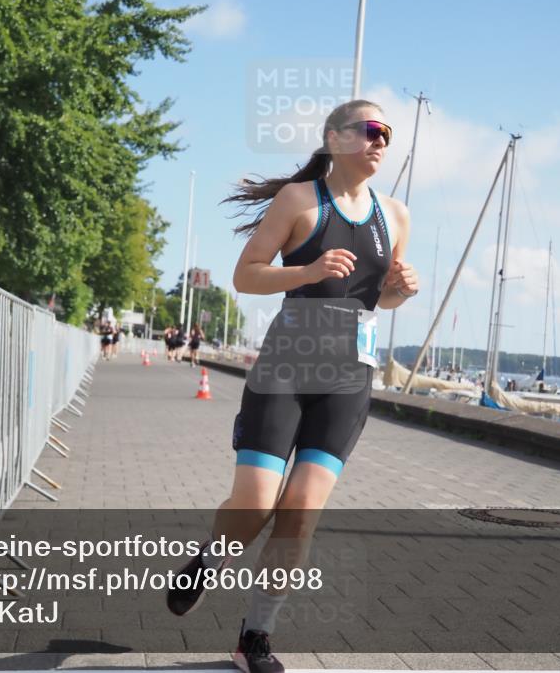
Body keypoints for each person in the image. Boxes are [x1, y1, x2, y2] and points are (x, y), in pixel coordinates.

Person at [166, 100, 418, 673]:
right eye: (371, 130)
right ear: (335, 138)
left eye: (387, 134)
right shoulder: (299, 200)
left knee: (301, 513)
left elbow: (382, 299)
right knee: (255, 505)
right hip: (285, 369)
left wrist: (402, 289)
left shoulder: (396, 216)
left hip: (347, 380)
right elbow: (246, 274)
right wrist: (307, 271)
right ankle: (210, 558)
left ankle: (255, 635)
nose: (381, 141)